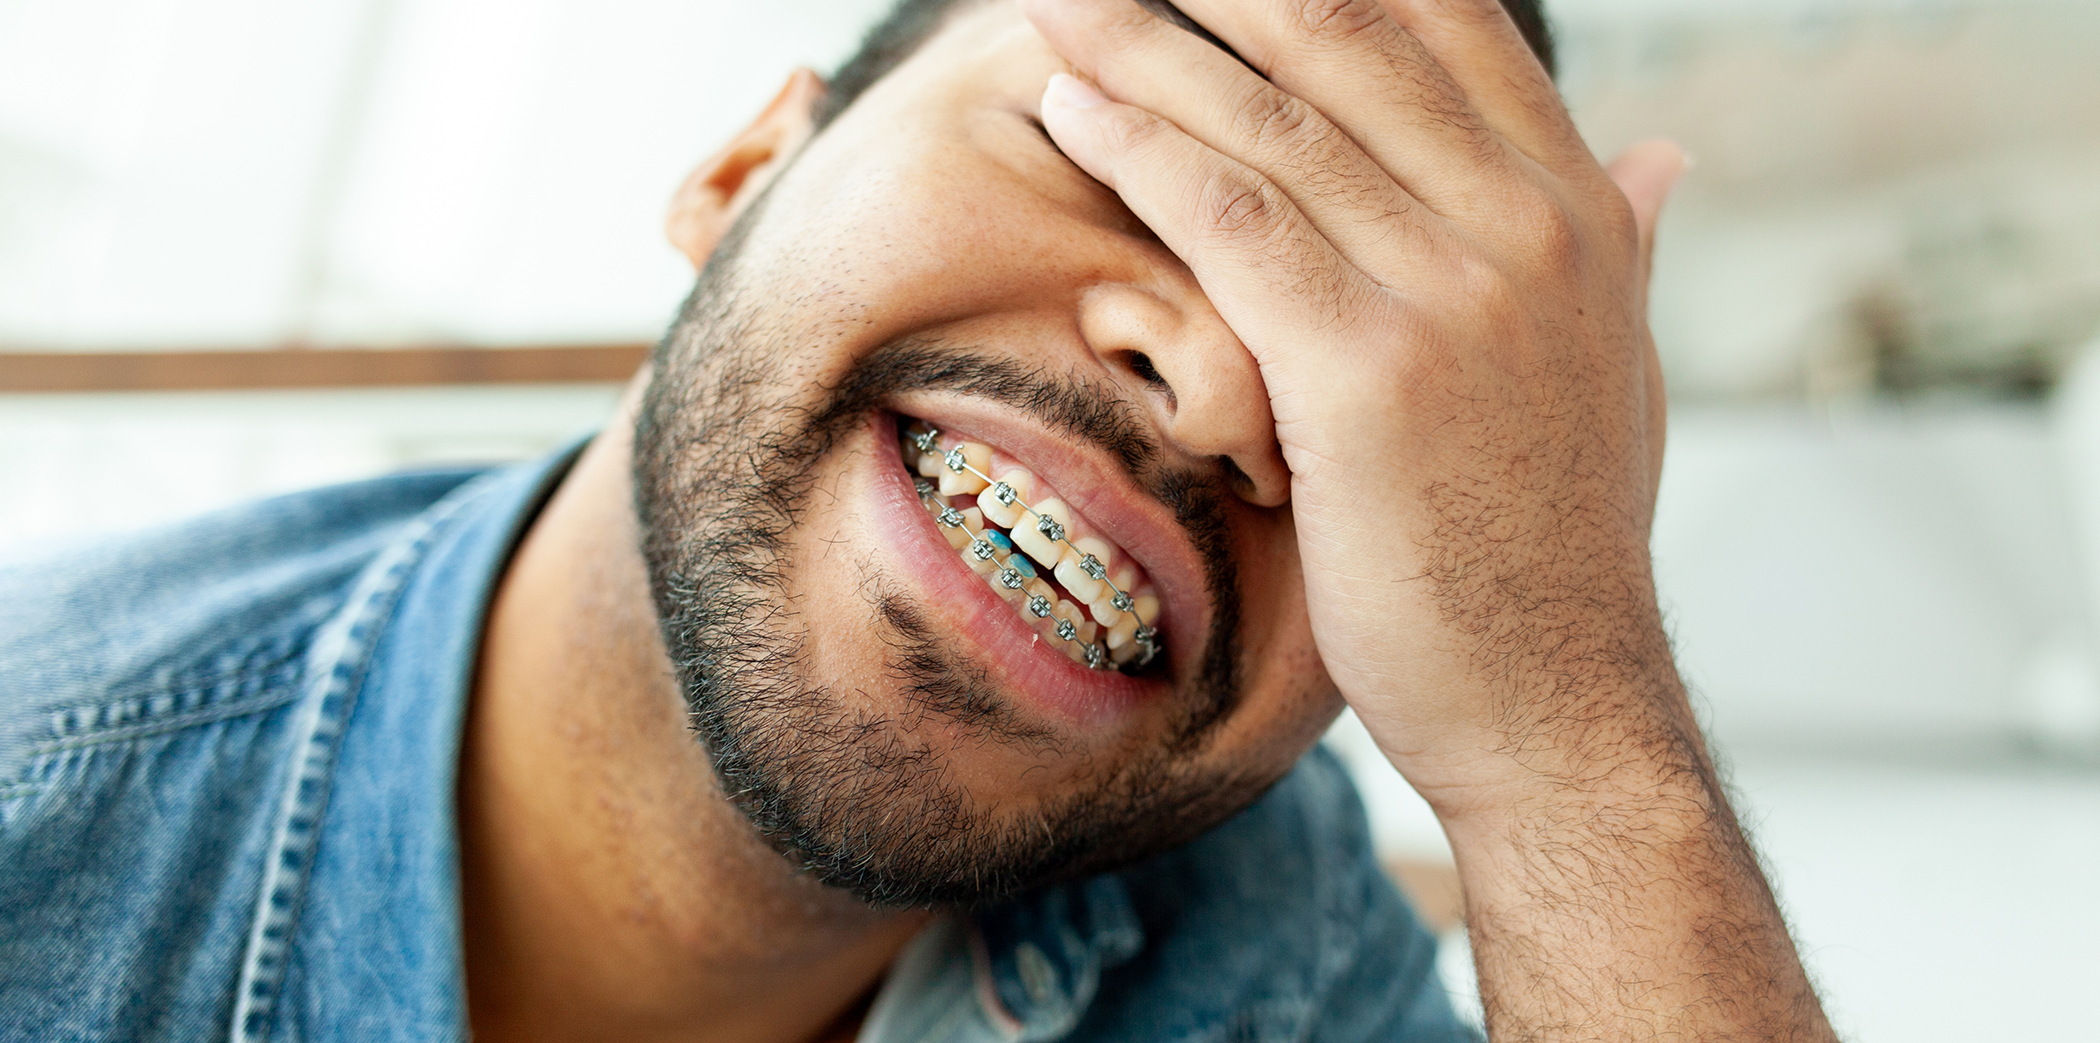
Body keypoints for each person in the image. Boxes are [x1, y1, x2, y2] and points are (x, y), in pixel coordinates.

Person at [0, 0, 1840, 1040]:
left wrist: (1567, 739)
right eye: (1106, 144)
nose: (1217, 385)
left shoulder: (1248, 932)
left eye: (1358, 357)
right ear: (741, 174)